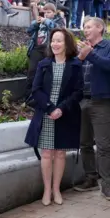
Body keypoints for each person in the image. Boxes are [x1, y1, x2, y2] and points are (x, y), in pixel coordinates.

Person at [24, 28, 83, 206]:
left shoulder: (75, 65)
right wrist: (50, 108)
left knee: (60, 154)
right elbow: (36, 90)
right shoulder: (44, 64)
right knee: (47, 154)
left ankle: (57, 189)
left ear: (67, 44)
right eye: (53, 40)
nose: (55, 44)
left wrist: (61, 109)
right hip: (46, 115)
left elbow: (78, 91)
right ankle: (47, 190)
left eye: (59, 41)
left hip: (65, 114)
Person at [73, 17, 110, 199]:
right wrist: (79, 58)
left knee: (103, 146)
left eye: (88, 27)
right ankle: (90, 178)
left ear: (100, 28)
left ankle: (108, 186)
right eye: (84, 27)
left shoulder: (107, 47)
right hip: (83, 101)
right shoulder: (84, 49)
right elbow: (73, 72)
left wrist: (90, 54)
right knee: (85, 143)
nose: (85, 30)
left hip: (102, 102)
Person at [25, 3, 65, 98]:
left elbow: (59, 30)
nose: (46, 14)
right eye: (45, 12)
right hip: (37, 48)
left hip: (50, 50)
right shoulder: (40, 21)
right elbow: (29, 31)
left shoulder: (59, 20)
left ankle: (44, 97)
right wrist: (35, 23)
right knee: (32, 72)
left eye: (49, 12)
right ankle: (28, 97)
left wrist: (46, 21)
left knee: (47, 74)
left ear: (54, 13)